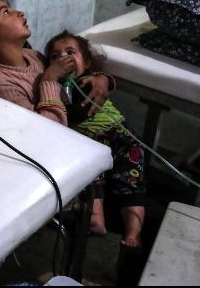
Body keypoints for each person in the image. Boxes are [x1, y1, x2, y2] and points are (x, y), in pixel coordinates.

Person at [45, 30, 146, 249]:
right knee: (92, 180)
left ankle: (133, 233)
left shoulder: (89, 81)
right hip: (92, 145)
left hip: (120, 136)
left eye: (70, 52)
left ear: (87, 62)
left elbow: (81, 112)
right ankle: (96, 219)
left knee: (131, 184)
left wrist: (102, 79)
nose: (63, 58)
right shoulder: (57, 89)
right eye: (55, 56)